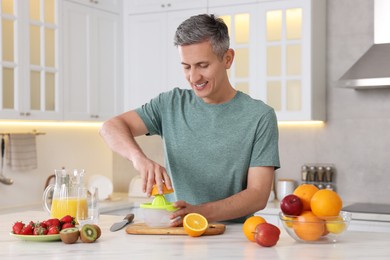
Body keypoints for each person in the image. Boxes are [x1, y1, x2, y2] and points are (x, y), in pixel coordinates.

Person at [99, 14, 280, 226]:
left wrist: (198, 212)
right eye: (186, 66)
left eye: (203, 65)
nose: (194, 78)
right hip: (175, 233)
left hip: (234, 237)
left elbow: (258, 195)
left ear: (227, 58)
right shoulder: (169, 104)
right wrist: (139, 159)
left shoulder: (260, 116)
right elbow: (109, 127)